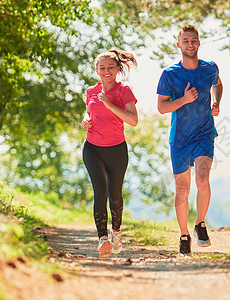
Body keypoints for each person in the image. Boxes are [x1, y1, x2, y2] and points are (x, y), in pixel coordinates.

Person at [156, 25, 223, 256]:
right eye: (186, 41)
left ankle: (200, 224)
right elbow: (162, 107)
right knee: (182, 190)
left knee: (203, 179)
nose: (190, 44)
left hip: (204, 134)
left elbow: (218, 83)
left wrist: (216, 102)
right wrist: (183, 100)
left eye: (194, 40)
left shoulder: (210, 68)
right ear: (179, 45)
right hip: (180, 139)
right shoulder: (170, 74)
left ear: (199, 43)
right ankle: (184, 235)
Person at [81, 49, 138, 258]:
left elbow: (133, 120)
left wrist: (109, 104)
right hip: (92, 148)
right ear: (97, 70)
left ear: (117, 69)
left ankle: (116, 232)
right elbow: (89, 111)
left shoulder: (124, 91)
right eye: (102, 68)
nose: (106, 71)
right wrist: (85, 120)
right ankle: (102, 238)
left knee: (115, 196)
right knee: (100, 191)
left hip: (117, 149)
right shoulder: (90, 91)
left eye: (110, 68)